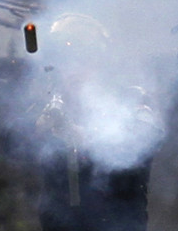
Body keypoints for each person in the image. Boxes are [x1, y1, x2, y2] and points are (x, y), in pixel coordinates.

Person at [24, 13, 165, 231]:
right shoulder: (51, 102)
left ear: (100, 61)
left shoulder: (132, 99)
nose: (72, 70)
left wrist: (84, 136)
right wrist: (37, 128)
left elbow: (144, 139)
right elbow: (10, 142)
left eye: (82, 59)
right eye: (65, 61)